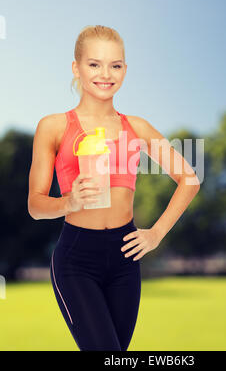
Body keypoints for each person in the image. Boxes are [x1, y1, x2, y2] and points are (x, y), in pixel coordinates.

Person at [27, 25, 200, 351]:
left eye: (115, 65)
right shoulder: (53, 126)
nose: (106, 74)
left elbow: (189, 179)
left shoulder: (137, 127)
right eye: (94, 64)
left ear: (124, 70)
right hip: (77, 259)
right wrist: (68, 202)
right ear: (76, 68)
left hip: (125, 258)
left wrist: (156, 233)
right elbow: (35, 206)